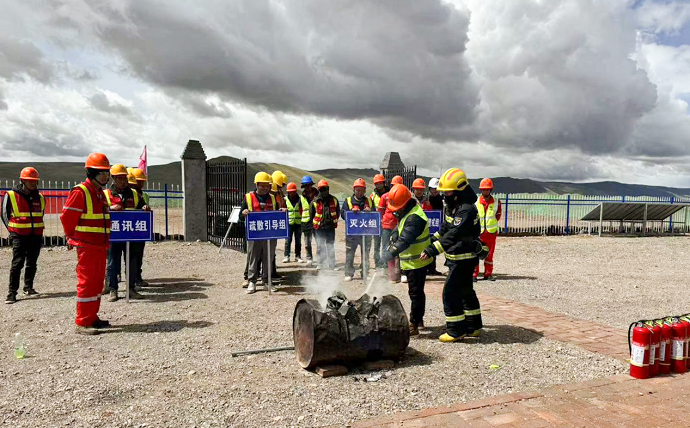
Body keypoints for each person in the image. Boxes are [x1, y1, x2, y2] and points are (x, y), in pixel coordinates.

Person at [421, 168, 483, 343]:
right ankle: (473, 326)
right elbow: (445, 229)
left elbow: (454, 234)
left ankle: (456, 331)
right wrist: (430, 242)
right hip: (458, 257)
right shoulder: (454, 206)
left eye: (447, 192)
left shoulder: (466, 210)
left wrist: (432, 250)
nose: (444, 196)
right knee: (466, 291)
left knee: (450, 293)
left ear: (459, 190)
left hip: (463, 258)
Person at [60, 153, 112, 335]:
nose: (105, 176)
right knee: (87, 282)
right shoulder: (80, 191)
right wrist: (71, 237)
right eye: (100, 172)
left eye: (106, 172)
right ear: (91, 172)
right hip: (87, 245)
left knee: (97, 283)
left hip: (99, 245)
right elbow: (67, 217)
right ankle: (82, 322)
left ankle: (91, 317)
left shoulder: (99, 193)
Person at [381, 184, 432, 335]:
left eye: (397, 207)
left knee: (416, 293)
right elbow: (400, 228)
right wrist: (394, 234)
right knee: (414, 292)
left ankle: (414, 323)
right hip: (411, 261)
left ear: (404, 204)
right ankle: (418, 320)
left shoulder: (416, 217)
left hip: (418, 261)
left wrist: (389, 253)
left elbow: (405, 240)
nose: (395, 211)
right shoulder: (407, 211)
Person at [2, 167, 45, 304]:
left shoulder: (40, 197)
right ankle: (12, 293)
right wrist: (12, 231)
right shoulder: (11, 195)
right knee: (17, 263)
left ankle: (28, 287)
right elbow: (4, 214)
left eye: (35, 181)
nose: (33, 183)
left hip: (36, 235)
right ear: (22, 181)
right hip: (19, 235)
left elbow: (41, 214)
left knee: (32, 262)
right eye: (29, 180)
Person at [103, 165, 145, 302]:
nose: (123, 181)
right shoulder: (105, 194)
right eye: (119, 178)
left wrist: (144, 207)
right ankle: (113, 290)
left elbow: (142, 206)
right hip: (113, 235)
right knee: (112, 263)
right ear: (113, 179)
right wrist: (110, 208)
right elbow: (99, 210)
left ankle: (131, 289)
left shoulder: (134, 194)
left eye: (124, 178)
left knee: (132, 262)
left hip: (131, 236)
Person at [241, 172, 277, 294]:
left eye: (267, 185)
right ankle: (252, 281)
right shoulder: (248, 197)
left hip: (269, 234)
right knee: (253, 257)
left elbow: (277, 213)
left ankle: (266, 281)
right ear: (257, 185)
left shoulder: (273, 198)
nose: (265, 188)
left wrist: (282, 210)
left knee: (268, 257)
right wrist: (244, 212)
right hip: (254, 234)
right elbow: (241, 215)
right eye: (262, 185)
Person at [341, 178, 373, 281]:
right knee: (350, 254)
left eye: (362, 190)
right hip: (352, 234)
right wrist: (351, 212)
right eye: (357, 190)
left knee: (365, 254)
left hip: (366, 233)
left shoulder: (369, 201)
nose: (359, 192)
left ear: (365, 190)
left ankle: (365, 273)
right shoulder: (348, 201)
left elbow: (375, 216)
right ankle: (348, 273)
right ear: (354, 190)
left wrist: (370, 211)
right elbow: (342, 214)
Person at [475, 178, 502, 282]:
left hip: (491, 233)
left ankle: (488, 273)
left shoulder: (496, 202)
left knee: (489, 255)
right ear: (481, 190)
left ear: (490, 190)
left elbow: (498, 216)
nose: (485, 191)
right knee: (476, 253)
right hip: (479, 233)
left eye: (487, 189)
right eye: (483, 189)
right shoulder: (476, 202)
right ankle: (474, 274)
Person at [378, 175, 403, 283]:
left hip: (399, 226)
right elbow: (380, 211)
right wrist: (382, 222)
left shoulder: (404, 196)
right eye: (394, 185)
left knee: (399, 249)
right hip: (387, 227)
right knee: (385, 248)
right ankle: (386, 270)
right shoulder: (385, 197)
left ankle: (399, 272)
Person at [310, 179, 339, 270]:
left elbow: (337, 212)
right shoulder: (315, 202)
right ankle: (320, 264)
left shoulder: (334, 200)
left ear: (328, 189)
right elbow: (311, 215)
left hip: (330, 227)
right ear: (319, 190)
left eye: (325, 189)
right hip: (319, 228)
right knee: (320, 246)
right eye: (321, 189)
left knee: (330, 246)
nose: (324, 191)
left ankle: (331, 264)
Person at [131, 168, 152, 288]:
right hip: (127, 230)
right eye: (138, 181)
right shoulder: (129, 193)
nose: (141, 183)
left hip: (139, 229)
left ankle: (136, 278)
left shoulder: (142, 195)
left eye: (142, 181)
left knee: (138, 255)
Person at [284, 182, 308, 263]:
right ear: (288, 192)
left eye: (293, 191)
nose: (292, 193)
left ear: (295, 191)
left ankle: (298, 256)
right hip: (289, 223)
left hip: (298, 223)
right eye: (290, 192)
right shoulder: (285, 199)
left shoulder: (300, 199)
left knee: (298, 241)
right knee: (288, 240)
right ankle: (286, 256)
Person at [369, 174, 388, 269]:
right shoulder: (372, 196)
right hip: (376, 224)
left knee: (386, 245)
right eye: (377, 184)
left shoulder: (390, 193)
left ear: (384, 183)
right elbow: (369, 207)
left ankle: (385, 263)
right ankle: (377, 263)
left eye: (380, 183)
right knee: (376, 245)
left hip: (387, 223)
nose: (379, 185)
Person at [300, 175, 319, 267]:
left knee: (319, 241)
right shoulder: (302, 197)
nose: (307, 187)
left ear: (311, 185)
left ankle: (319, 259)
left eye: (309, 185)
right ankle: (309, 259)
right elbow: (300, 209)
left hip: (317, 221)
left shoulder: (318, 196)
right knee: (307, 242)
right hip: (306, 223)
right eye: (305, 185)